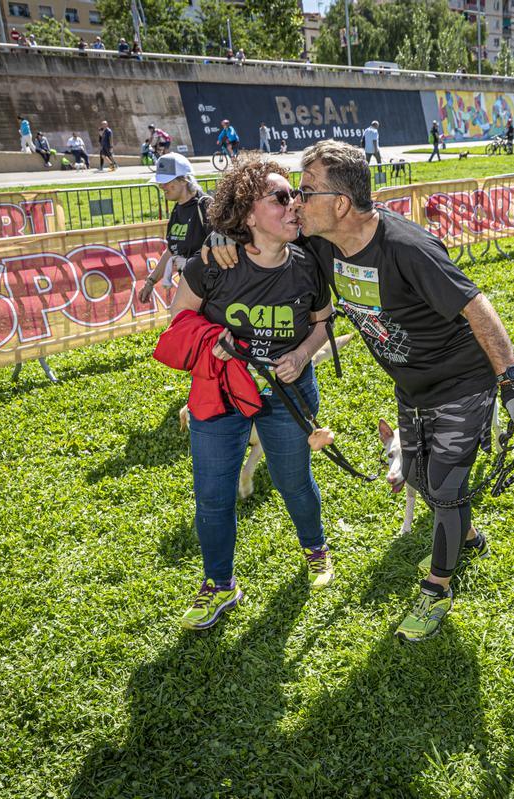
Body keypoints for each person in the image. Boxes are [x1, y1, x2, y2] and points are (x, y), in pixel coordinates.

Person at [204, 140, 514, 643]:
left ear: (340, 203)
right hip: (412, 389)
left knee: (445, 490)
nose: (297, 202)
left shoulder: (406, 248)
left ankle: (437, 588)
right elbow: (264, 242)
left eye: (306, 191)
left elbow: (477, 307)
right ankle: (468, 537)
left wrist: (513, 381)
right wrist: (221, 236)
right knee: (418, 476)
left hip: (461, 385)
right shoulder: (323, 244)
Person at [165, 155, 335, 630]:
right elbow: (177, 321)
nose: (293, 204)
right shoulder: (213, 266)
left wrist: (300, 356)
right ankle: (219, 584)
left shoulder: (310, 265)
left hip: (289, 394)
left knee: (293, 481)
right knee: (213, 495)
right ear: (246, 213)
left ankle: (315, 548)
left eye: (295, 195)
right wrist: (207, 340)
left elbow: (323, 325)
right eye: (280, 197)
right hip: (221, 396)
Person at [139, 154, 213, 303]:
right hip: (190, 288)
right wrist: (150, 282)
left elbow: (222, 249)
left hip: (212, 292)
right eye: (160, 182)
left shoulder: (205, 206)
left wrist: (190, 263)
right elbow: (172, 250)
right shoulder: (177, 209)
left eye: (166, 182)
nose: (161, 186)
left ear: (184, 180)